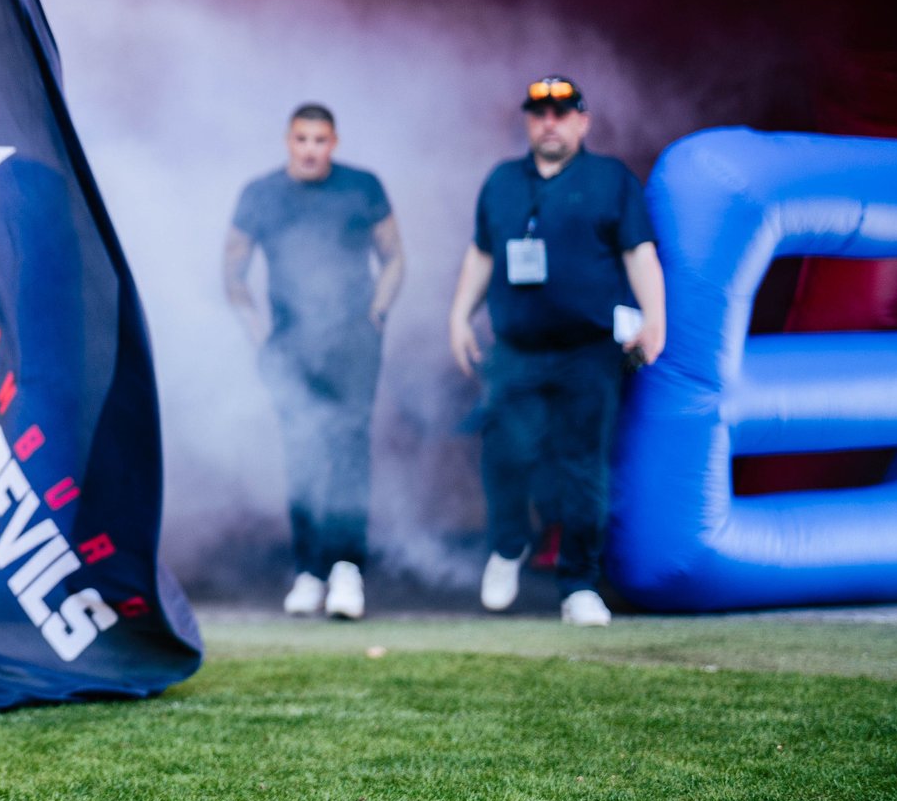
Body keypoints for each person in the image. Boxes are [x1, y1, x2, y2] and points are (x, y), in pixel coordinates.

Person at [446, 76, 667, 627]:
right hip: (516, 348)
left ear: (582, 121)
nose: (550, 121)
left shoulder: (610, 179)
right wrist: (458, 316)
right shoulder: (501, 181)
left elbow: (639, 253)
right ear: (527, 120)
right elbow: (481, 254)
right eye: (541, 111)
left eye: (562, 111)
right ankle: (508, 544)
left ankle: (578, 585)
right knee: (504, 455)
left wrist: (656, 321)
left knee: (582, 466)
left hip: (587, 349)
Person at [224, 104, 404, 620]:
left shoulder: (362, 187)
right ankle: (309, 571)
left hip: (351, 343)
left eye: (320, 140)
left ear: (334, 142)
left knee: (348, 448)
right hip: (289, 344)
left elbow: (394, 256)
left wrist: (378, 311)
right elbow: (232, 271)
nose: (310, 149)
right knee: (301, 454)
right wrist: (259, 335)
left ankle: (347, 570)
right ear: (287, 140)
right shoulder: (260, 194)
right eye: (301, 139)